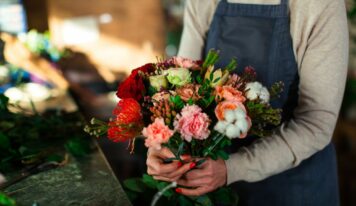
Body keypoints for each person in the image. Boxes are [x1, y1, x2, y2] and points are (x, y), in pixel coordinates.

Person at [146, 0, 349, 205]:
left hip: (292, 188)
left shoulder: (319, 5)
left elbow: (316, 121)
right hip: (211, 184)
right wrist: (164, 145)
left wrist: (232, 168)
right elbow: (183, 88)